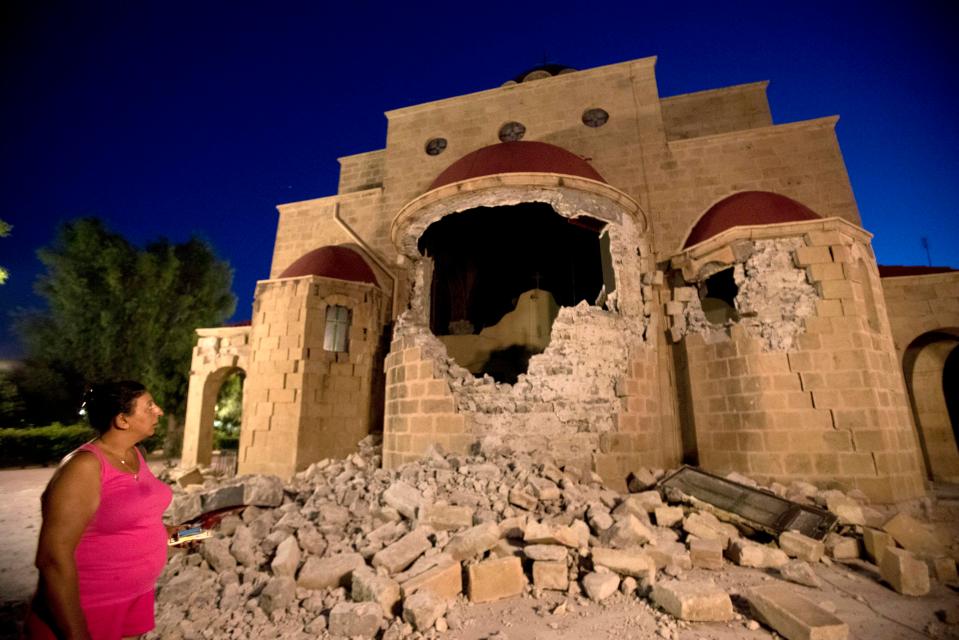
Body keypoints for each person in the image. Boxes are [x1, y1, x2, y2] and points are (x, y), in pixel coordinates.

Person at [25, 381, 172, 640]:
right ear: (122, 420)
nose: (158, 411)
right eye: (149, 406)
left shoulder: (137, 454)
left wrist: (190, 534)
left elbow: (136, 525)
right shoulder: (84, 467)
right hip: (85, 610)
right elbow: (52, 559)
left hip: (135, 599)